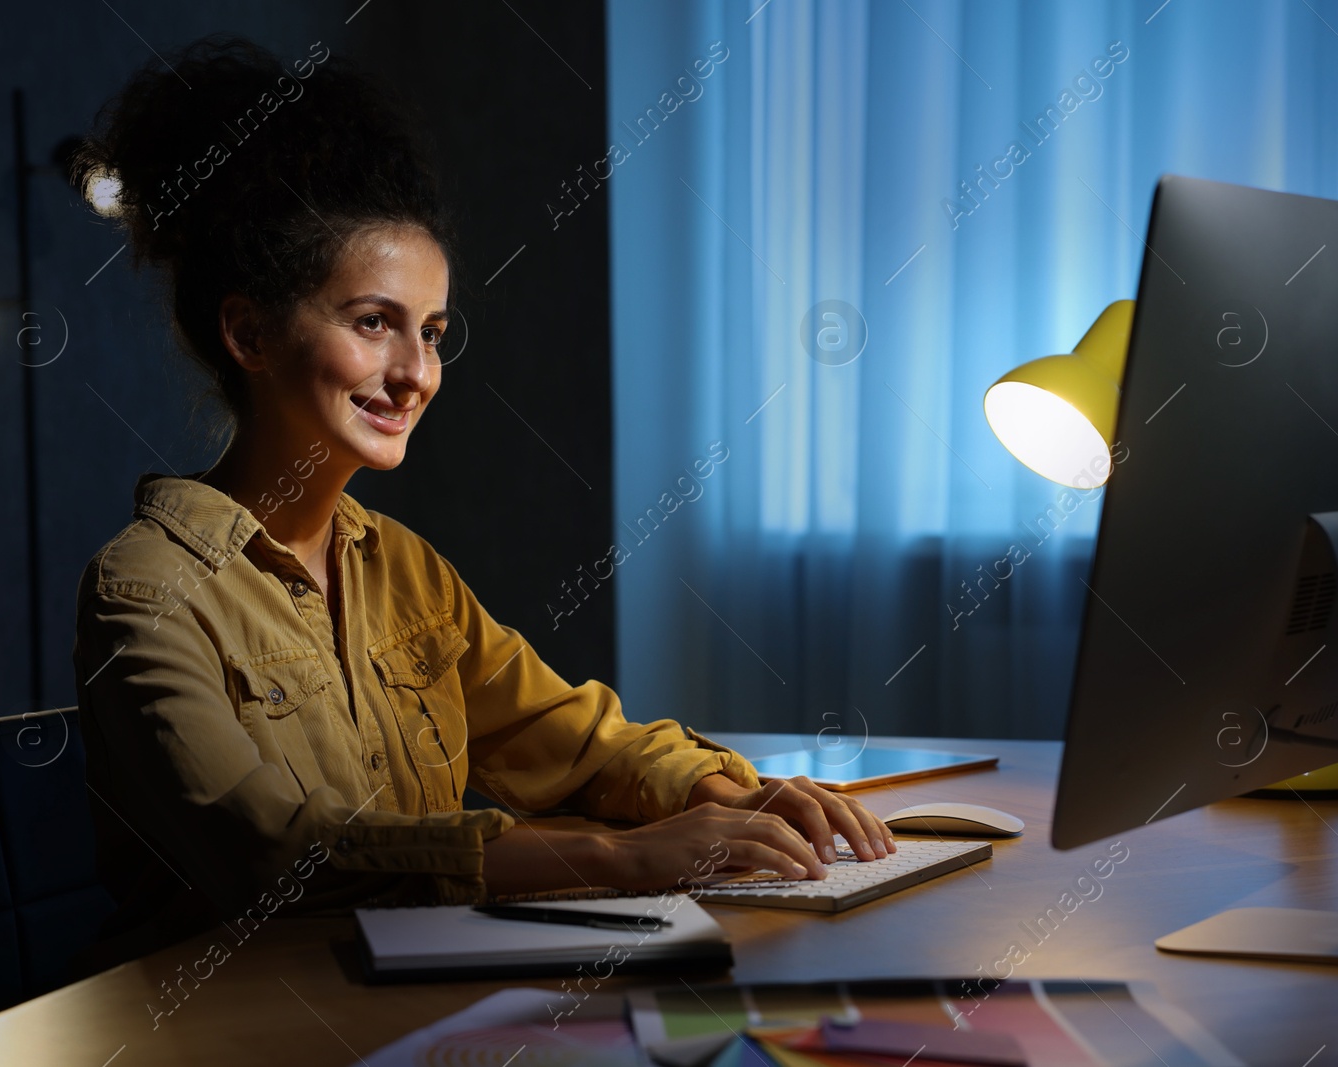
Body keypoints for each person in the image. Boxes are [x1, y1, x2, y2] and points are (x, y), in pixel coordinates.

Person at [71, 35, 893, 965]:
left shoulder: (406, 570)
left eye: (431, 331)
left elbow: (577, 741)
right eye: (373, 322)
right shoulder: (143, 588)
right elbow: (274, 853)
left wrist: (726, 794)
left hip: (414, 997)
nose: (416, 372)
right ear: (249, 332)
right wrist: (619, 856)